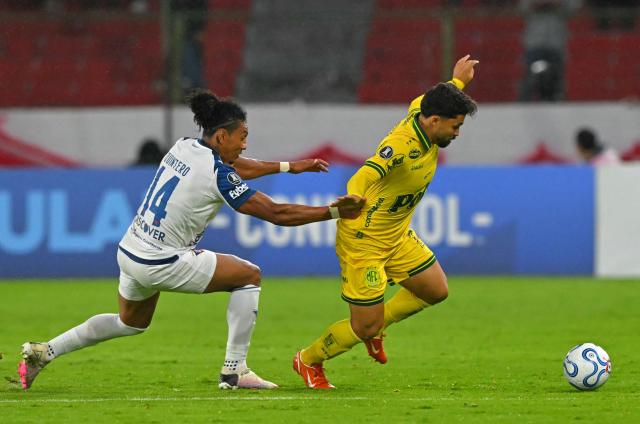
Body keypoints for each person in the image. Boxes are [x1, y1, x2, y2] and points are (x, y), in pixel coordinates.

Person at [18, 89, 365, 391]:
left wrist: (290, 167)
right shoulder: (217, 173)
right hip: (161, 261)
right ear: (220, 137)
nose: (245, 143)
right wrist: (334, 213)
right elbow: (276, 214)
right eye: (241, 135)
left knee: (130, 322)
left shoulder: (184, 146)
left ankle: (44, 351)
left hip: (131, 250)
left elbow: (235, 165)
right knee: (249, 276)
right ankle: (235, 371)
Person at [292, 55, 479, 389]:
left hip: (396, 234)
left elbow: (440, 94)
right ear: (434, 121)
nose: (457, 133)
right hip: (364, 239)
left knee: (435, 290)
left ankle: (377, 326)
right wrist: (352, 198)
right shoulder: (401, 146)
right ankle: (309, 359)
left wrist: (458, 81)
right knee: (363, 326)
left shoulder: (423, 109)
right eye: (456, 127)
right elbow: (364, 174)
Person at [519, 0, 581, 101]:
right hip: (534, 41)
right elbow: (522, 8)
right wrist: (537, 4)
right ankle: (524, 104)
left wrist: (558, 4)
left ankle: (558, 104)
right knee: (529, 79)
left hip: (556, 42)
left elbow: (574, 7)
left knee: (556, 79)